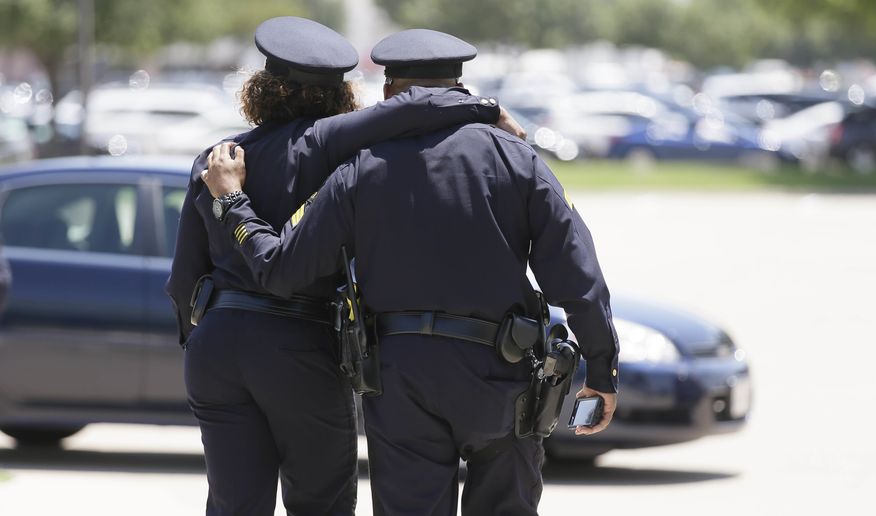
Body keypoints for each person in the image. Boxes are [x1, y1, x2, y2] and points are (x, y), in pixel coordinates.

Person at [202, 29, 619, 516]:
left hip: (402, 381)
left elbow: (280, 270)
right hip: (502, 375)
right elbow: (580, 278)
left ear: (388, 94)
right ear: (458, 85)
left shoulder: (361, 169)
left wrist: (233, 204)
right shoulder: (518, 159)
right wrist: (603, 369)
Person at [166, 18, 510, 516]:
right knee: (321, 500)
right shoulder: (328, 142)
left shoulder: (216, 158)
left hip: (216, 347)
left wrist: (198, 342)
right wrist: (485, 106)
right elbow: (411, 108)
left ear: (260, 89)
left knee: (233, 503)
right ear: (339, 95)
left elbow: (182, 279)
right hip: (298, 345)